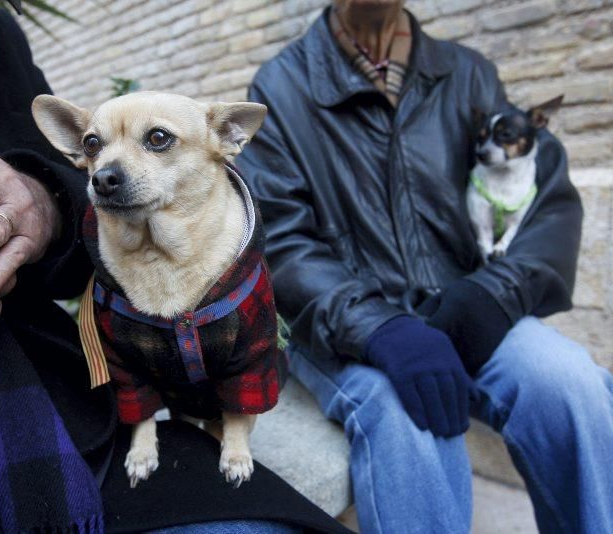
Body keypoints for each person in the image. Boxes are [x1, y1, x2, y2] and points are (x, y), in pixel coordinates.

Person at [0, 1, 349, 532]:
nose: (108, 170)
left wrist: (42, 200)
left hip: (43, 401)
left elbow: (56, 182)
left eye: (157, 140)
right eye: (94, 146)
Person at [237, 0, 613, 533]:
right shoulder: (281, 86)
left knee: (569, 384)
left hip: (464, 300)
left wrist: (492, 295)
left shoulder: (467, 72)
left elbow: (536, 193)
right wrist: (379, 326)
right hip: (346, 323)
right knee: (405, 414)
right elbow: (281, 236)